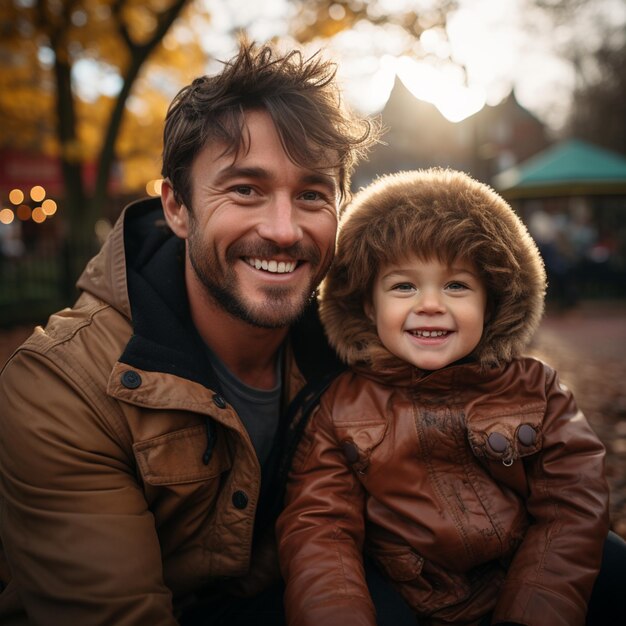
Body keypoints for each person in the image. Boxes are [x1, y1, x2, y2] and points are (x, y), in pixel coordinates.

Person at [0, 42, 379, 625]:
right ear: (177, 207)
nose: (283, 230)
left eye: (311, 194)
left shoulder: (365, 351)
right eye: (245, 189)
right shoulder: (62, 386)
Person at [276, 168, 617, 626]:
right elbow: (320, 528)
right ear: (368, 306)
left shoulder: (536, 391)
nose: (431, 304)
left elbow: (573, 506)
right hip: (412, 596)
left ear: (490, 302)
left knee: (611, 562)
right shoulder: (342, 408)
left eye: (456, 285)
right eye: (404, 286)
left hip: (528, 581)